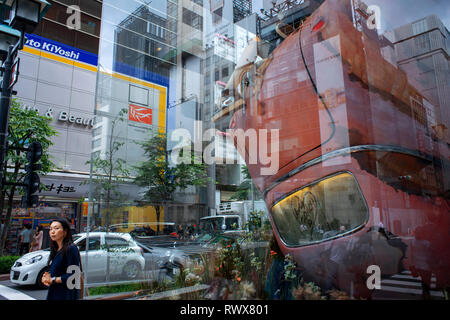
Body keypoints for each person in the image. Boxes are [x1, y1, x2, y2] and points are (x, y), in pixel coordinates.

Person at [41, 218, 81, 300]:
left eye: (56, 228)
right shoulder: (56, 249)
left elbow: (74, 275)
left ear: (65, 232)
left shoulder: (71, 249)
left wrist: (53, 280)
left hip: (66, 294)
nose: (52, 231)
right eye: (51, 229)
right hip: (55, 292)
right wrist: (46, 277)